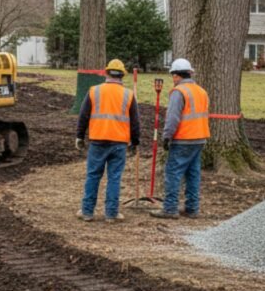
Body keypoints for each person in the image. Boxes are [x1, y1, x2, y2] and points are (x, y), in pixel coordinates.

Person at [76, 59, 141, 223]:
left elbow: (83, 116)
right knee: (114, 178)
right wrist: (135, 142)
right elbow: (135, 122)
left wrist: (79, 136)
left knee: (93, 176)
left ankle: (87, 212)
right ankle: (111, 214)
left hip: (98, 140)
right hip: (119, 143)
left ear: (106, 73)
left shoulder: (94, 91)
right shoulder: (128, 95)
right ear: (122, 76)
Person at [151, 58, 210, 220]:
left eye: (173, 76)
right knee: (193, 174)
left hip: (183, 138)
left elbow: (173, 118)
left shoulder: (179, 92)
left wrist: (167, 137)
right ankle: (192, 208)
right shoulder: (201, 91)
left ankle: (170, 208)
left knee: (173, 173)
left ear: (176, 75)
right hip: (199, 138)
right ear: (190, 73)